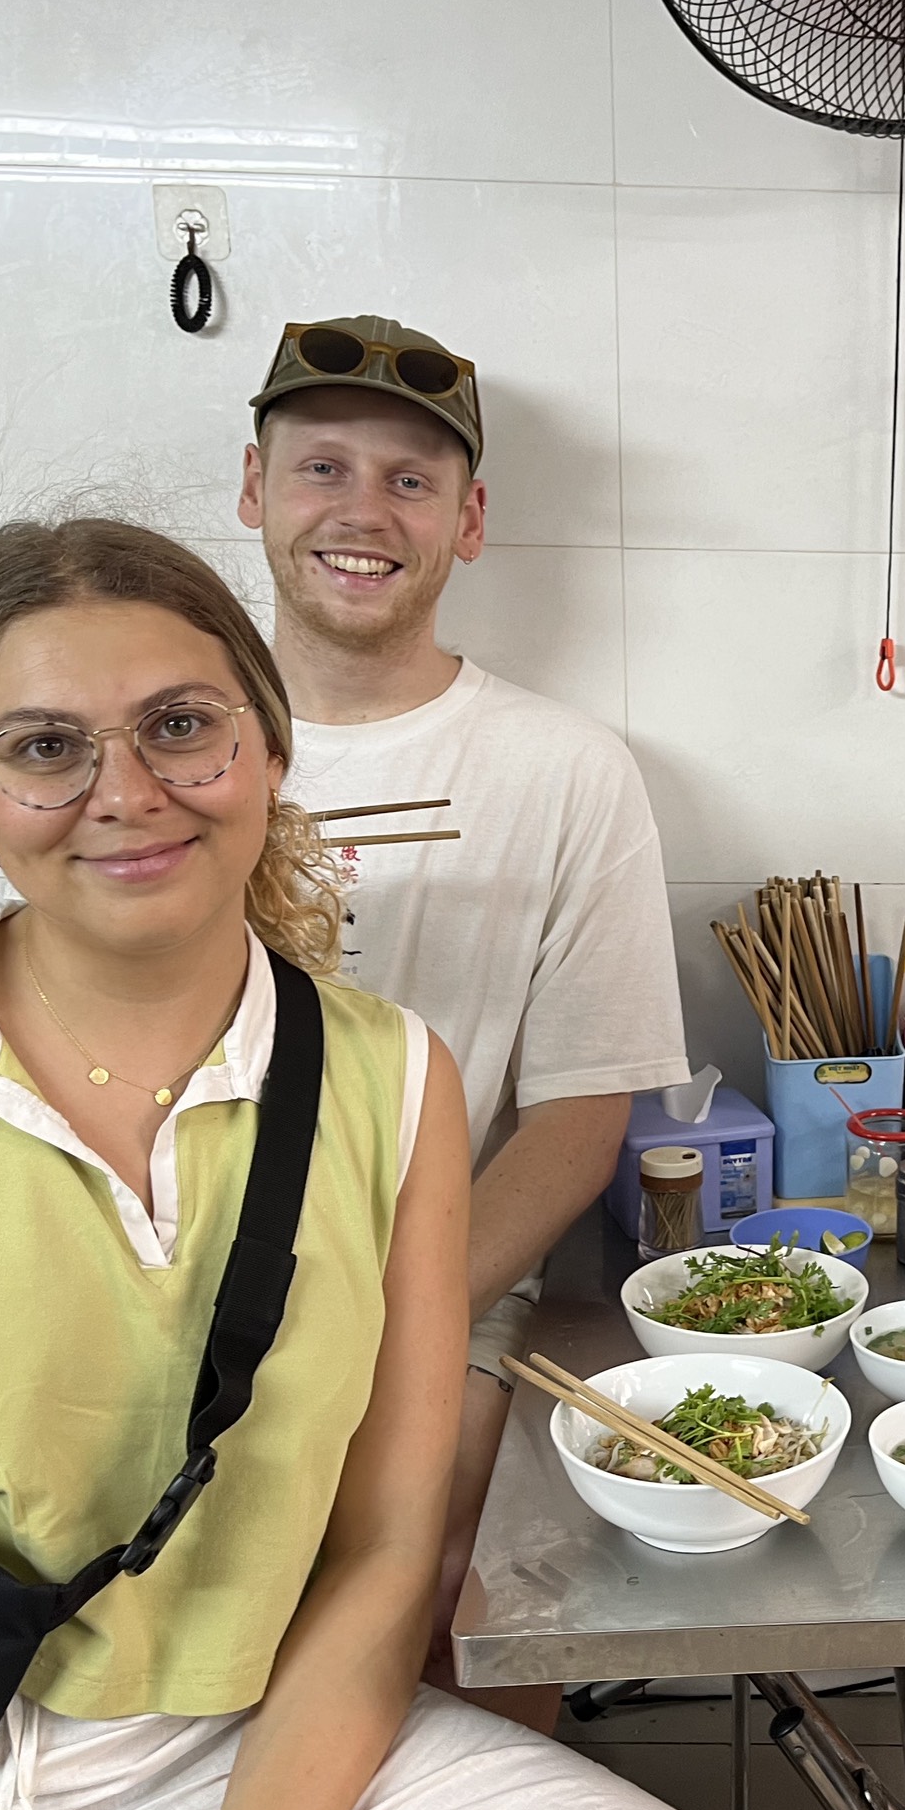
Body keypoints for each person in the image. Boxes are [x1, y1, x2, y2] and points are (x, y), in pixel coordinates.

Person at [0, 519, 827, 1810]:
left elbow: (385, 1557)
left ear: (270, 753)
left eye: (180, 726)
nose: (125, 790)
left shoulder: (391, 1082)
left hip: (227, 1766)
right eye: (44, 745)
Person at [235, 314, 688, 1718]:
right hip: (180, 1263)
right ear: (252, 491)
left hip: (447, 1273)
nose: (362, 512)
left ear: (469, 522)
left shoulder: (565, 771)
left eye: (411, 480)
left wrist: (394, 1315)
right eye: (320, 469)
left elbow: (580, 1114)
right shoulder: (173, 743)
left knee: (441, 1609)